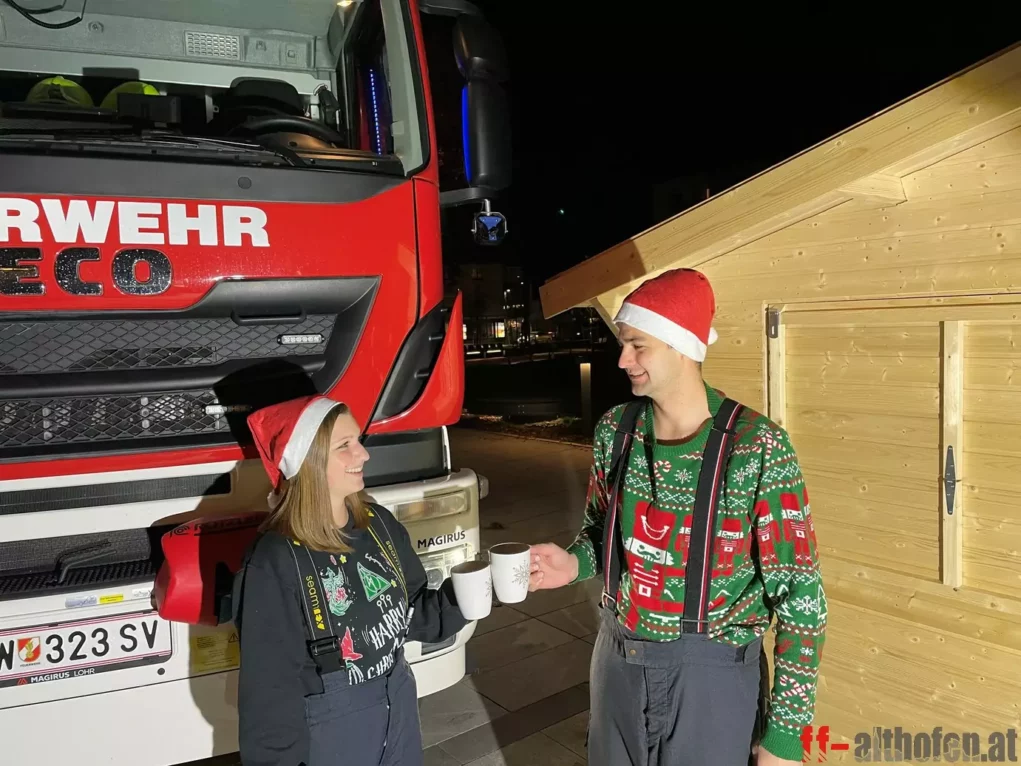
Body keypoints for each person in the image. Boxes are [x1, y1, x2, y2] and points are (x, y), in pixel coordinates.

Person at [528, 268, 826, 766]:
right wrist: (574, 563)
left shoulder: (757, 447)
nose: (623, 359)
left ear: (681, 346)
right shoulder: (615, 432)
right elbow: (601, 530)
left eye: (638, 345)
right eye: (623, 344)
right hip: (617, 665)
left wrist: (785, 736)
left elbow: (802, 600)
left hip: (712, 684)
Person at [231, 395, 468, 766]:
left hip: (398, 713)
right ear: (308, 461)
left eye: (358, 440)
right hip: (333, 736)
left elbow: (417, 617)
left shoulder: (378, 525)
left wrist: (483, 588)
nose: (364, 454)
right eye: (345, 446)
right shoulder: (275, 561)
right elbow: (269, 695)